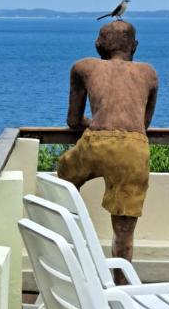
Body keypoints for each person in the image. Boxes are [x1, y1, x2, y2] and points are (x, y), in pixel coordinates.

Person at [58, 21, 158, 283]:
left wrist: (96, 124)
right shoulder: (149, 73)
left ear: (98, 45)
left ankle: (69, 242)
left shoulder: (84, 67)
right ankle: (120, 288)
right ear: (134, 46)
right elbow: (143, 124)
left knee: (63, 177)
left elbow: (73, 120)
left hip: (97, 142)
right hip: (133, 149)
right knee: (124, 230)